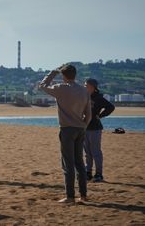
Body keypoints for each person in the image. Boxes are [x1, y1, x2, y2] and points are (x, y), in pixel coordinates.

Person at [39, 64, 91, 203]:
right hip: (80, 128)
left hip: (67, 129)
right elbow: (89, 114)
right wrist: (83, 126)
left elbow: (42, 86)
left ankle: (70, 197)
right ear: (75, 75)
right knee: (79, 162)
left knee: (68, 163)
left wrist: (52, 73)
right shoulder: (84, 90)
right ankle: (83, 195)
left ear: (63, 76)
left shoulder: (60, 88)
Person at [84, 78, 115, 183]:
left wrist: (100, 116)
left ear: (93, 87)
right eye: (84, 85)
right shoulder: (83, 96)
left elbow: (110, 107)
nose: (85, 87)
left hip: (95, 128)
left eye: (86, 86)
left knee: (96, 152)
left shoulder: (98, 98)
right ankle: (88, 173)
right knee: (87, 152)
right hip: (84, 128)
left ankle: (99, 174)